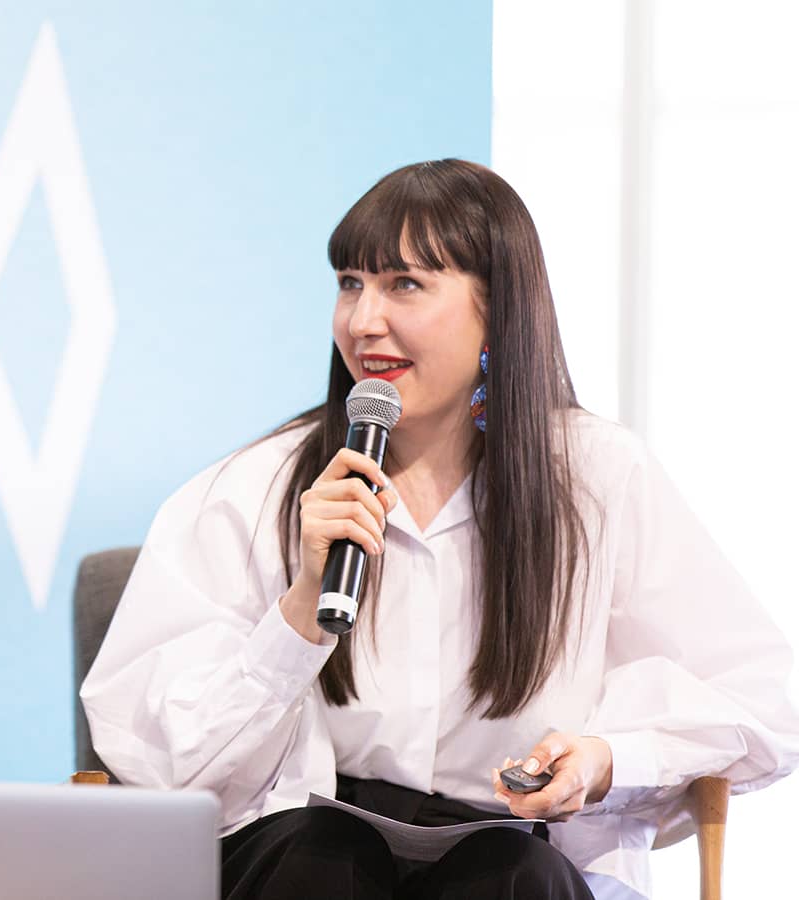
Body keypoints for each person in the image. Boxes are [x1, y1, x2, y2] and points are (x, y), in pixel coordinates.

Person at [80, 159, 799, 899]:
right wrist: (299, 611)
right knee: (322, 858)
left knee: (511, 878)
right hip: (306, 851)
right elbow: (149, 756)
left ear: (498, 308)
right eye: (350, 284)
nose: (363, 322)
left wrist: (605, 758)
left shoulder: (598, 479)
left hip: (512, 853)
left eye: (404, 286)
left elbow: (757, 706)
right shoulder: (258, 487)